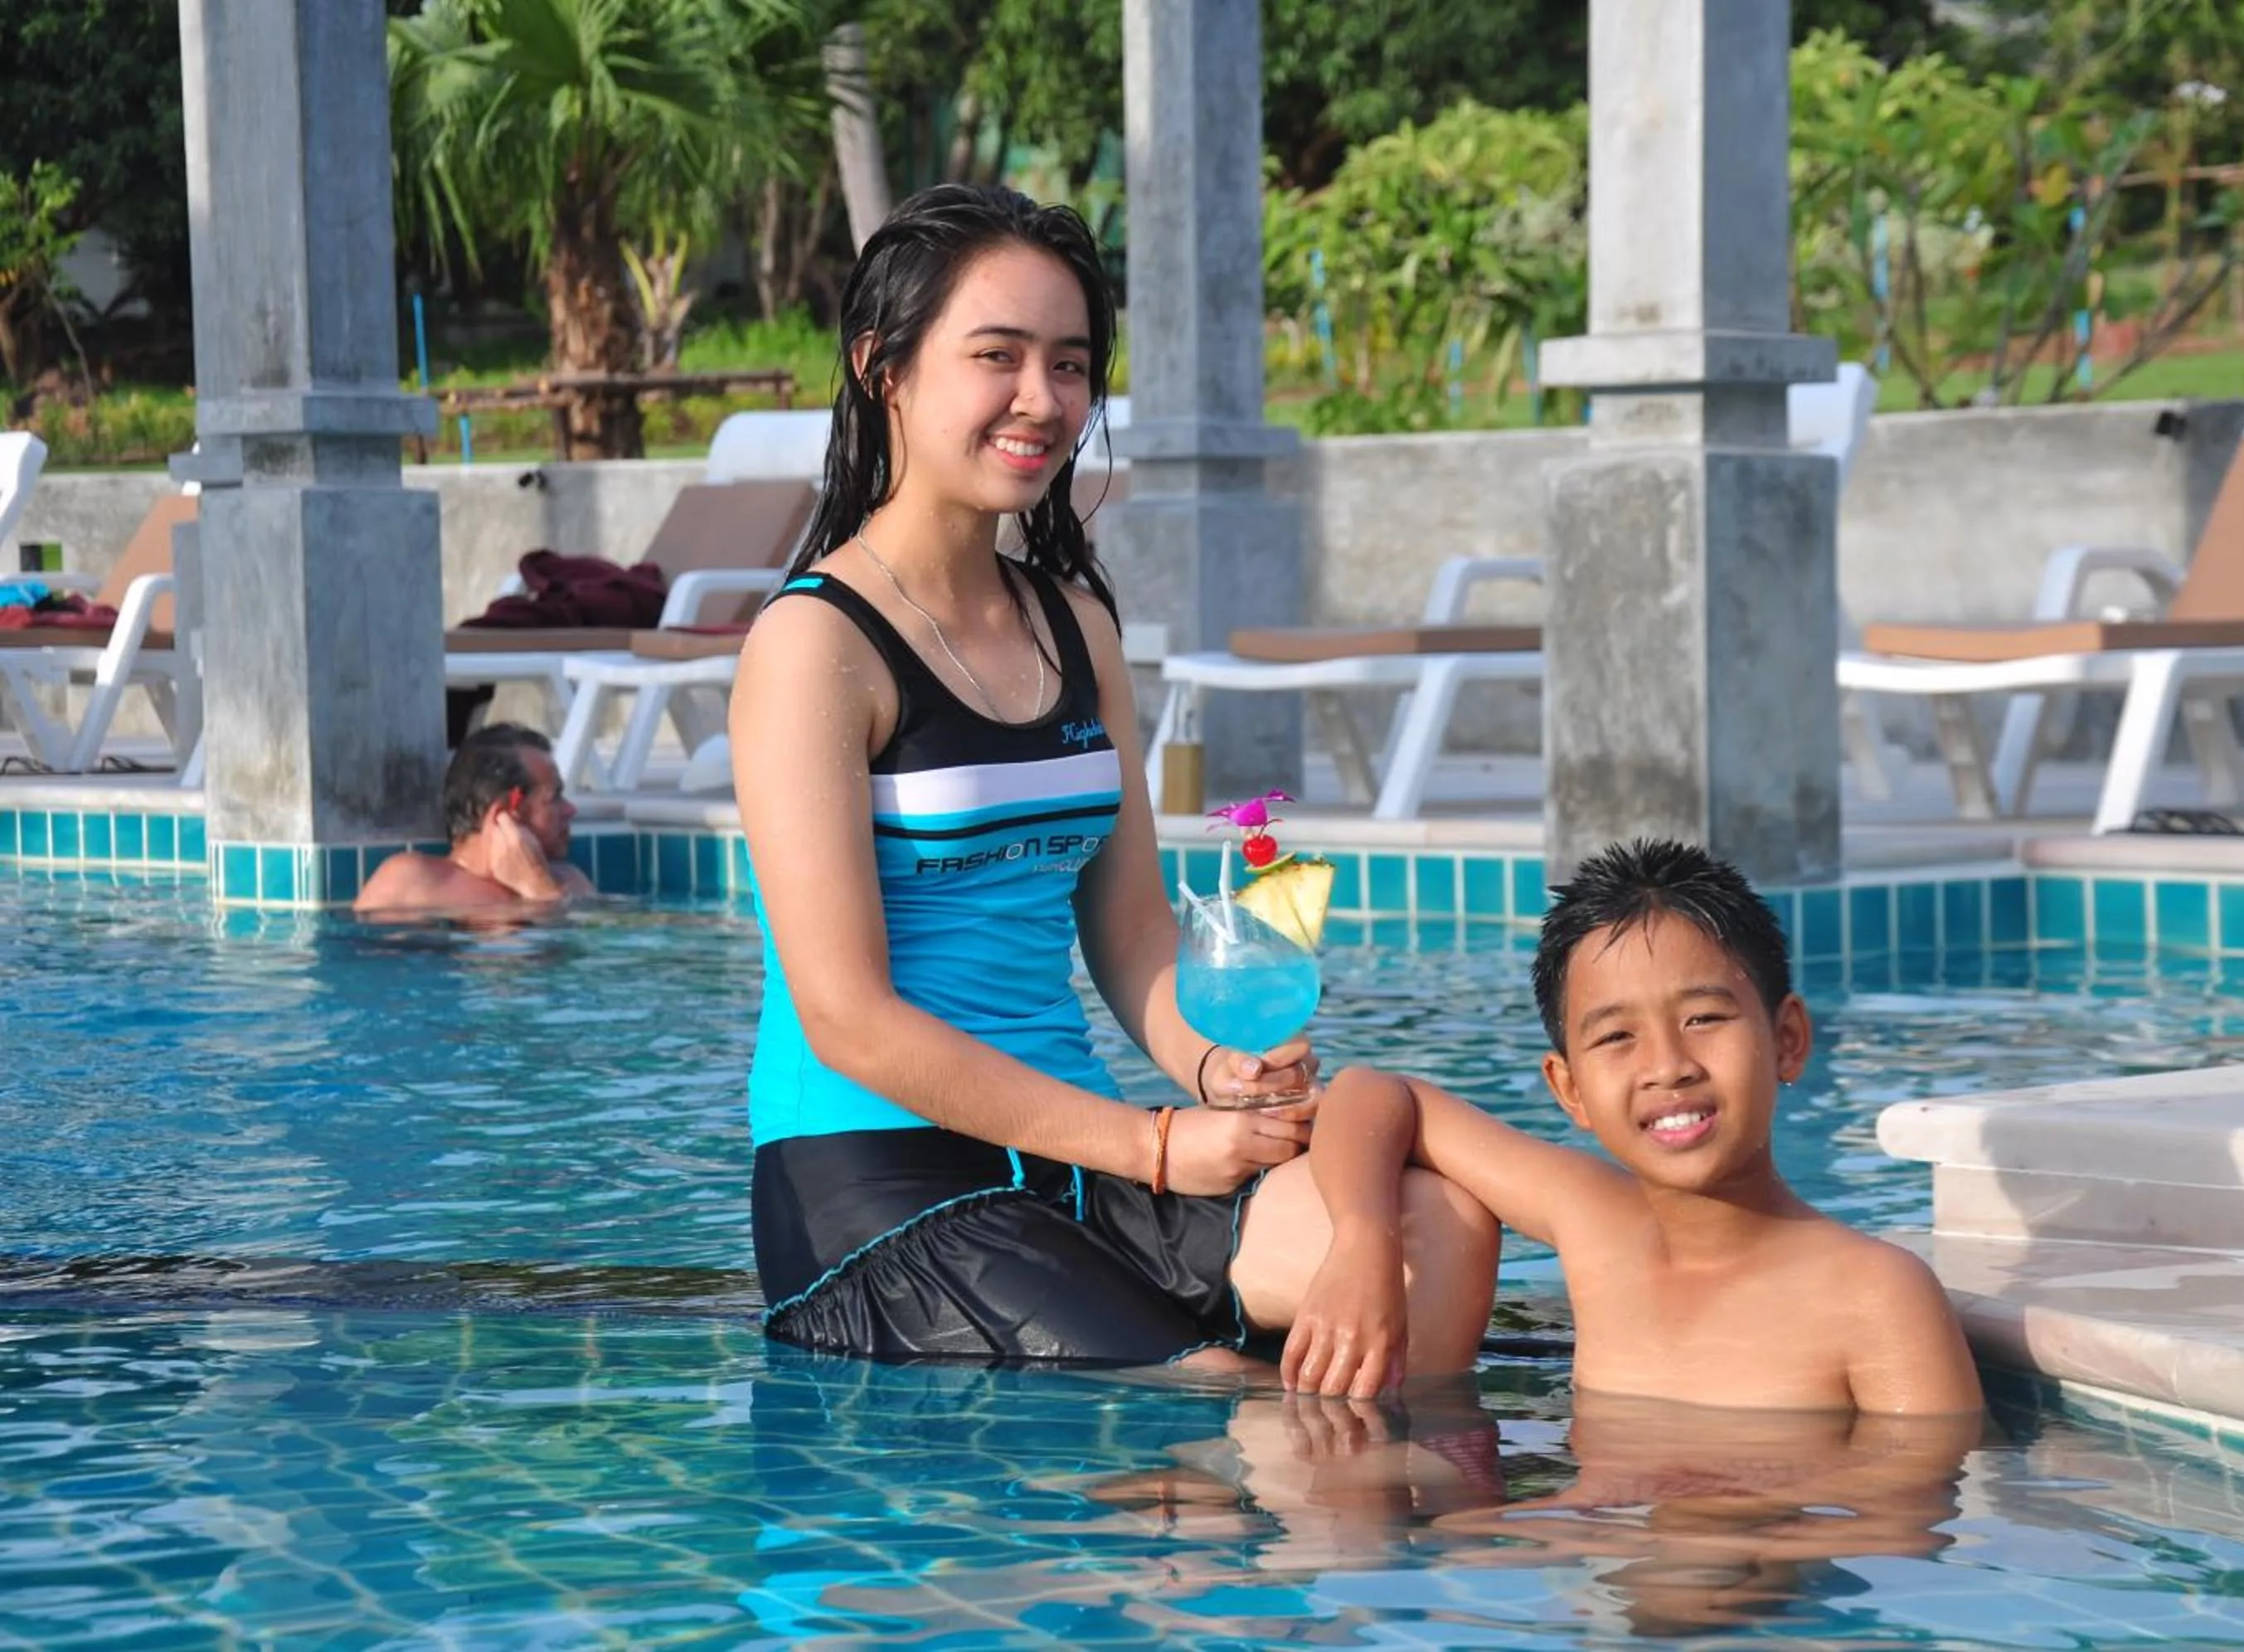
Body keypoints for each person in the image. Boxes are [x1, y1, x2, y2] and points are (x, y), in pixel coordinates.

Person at [728, 182, 1499, 1373]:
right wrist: (1151, 1143)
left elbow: (1134, 934)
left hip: (1081, 1160)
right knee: (1225, 1410)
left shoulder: (1074, 624)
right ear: (886, 368)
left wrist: (1216, 1071)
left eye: (1072, 365)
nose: (1044, 401)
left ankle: (1415, 1499)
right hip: (879, 1183)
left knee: (1432, 1231)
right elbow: (848, 1019)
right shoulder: (813, 647)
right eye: (1000, 357)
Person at [1289, 838, 1984, 1415]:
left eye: (1704, 1019)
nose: (1668, 1067)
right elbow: (1372, 1093)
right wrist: (1360, 1246)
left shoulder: (1875, 1293)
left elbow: (1913, 1519)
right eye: (1618, 1036)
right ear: (1571, 1090)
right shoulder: (1597, 1222)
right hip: (1597, 1545)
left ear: (1788, 1040)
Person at [353, 722, 593, 915]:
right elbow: (362, 964)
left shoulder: (569, 881)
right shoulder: (414, 882)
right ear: (506, 812)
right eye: (555, 797)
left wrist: (539, 889)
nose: (571, 810)